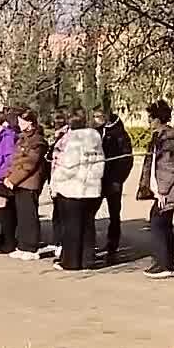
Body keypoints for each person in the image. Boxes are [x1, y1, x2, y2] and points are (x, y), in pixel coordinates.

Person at [138, 99, 174, 279]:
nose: (148, 121)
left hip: (167, 191)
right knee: (162, 223)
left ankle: (164, 264)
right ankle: (164, 263)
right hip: (161, 191)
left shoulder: (167, 141)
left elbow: (169, 168)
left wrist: (162, 191)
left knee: (158, 223)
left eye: (150, 118)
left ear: (157, 119)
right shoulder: (159, 137)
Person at [49, 108, 104, 271]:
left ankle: (71, 261)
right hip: (91, 189)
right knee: (87, 225)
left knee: (71, 227)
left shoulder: (74, 139)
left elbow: (69, 167)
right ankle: (87, 260)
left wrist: (56, 180)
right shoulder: (95, 138)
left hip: (72, 188)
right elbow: (100, 164)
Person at [3, 109, 49, 261]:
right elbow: (15, 160)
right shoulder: (21, 138)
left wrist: (13, 179)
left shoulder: (37, 141)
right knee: (21, 216)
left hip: (29, 183)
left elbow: (29, 163)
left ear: (30, 122)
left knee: (29, 216)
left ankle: (31, 247)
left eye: (22, 121)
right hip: (19, 183)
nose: (19, 124)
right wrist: (8, 175)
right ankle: (22, 245)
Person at [93, 106, 133, 262]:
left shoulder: (120, 135)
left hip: (113, 180)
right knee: (90, 211)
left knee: (114, 214)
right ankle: (90, 242)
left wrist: (118, 179)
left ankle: (113, 244)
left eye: (98, 116)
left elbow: (126, 159)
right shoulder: (97, 132)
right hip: (98, 179)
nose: (95, 119)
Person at [0, 110, 20, 254]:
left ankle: (8, 241)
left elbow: (8, 158)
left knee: (3, 211)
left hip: (2, 178)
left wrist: (4, 174)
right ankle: (0, 239)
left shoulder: (7, 137)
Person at [43, 107, 70, 257]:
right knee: (57, 213)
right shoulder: (56, 138)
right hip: (54, 179)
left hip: (64, 181)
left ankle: (63, 243)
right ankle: (58, 241)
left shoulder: (67, 138)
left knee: (63, 214)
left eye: (58, 120)